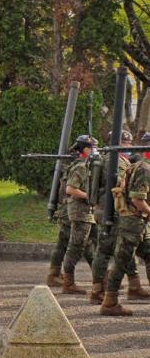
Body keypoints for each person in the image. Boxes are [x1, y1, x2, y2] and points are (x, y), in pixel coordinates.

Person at [89, 130, 150, 303]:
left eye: (130, 143)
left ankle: (132, 287)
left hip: (119, 211)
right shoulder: (115, 161)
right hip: (115, 211)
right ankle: (100, 291)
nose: (129, 146)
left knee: (124, 252)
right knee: (109, 251)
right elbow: (124, 190)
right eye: (125, 142)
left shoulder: (122, 161)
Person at [61, 135, 97, 295]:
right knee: (76, 246)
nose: (95, 151)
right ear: (86, 149)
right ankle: (68, 283)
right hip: (80, 212)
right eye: (93, 147)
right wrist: (89, 196)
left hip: (87, 213)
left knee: (90, 247)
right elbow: (70, 189)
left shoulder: (86, 165)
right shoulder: (81, 167)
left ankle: (100, 278)